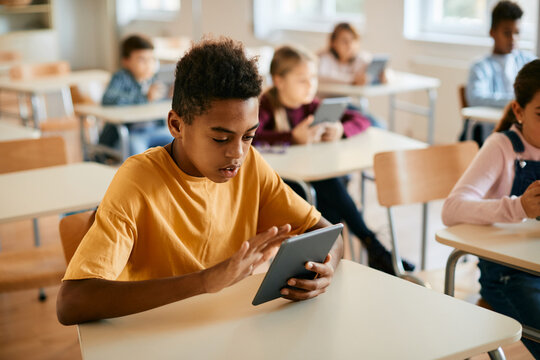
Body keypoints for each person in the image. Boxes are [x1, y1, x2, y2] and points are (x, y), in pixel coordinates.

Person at [56, 38, 343, 325]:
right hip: (153, 332)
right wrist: (205, 281)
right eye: (220, 138)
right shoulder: (138, 180)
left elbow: (329, 235)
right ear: (177, 125)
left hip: (226, 325)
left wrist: (324, 266)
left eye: (248, 135)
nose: (237, 153)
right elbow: (71, 302)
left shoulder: (250, 164)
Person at [256, 45, 414, 275]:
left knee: (330, 190)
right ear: (279, 81)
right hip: (284, 189)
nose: (311, 85)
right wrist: (291, 137)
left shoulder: (311, 106)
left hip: (315, 187)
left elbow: (361, 118)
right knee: (330, 187)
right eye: (302, 80)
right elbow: (252, 137)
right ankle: (372, 246)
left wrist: (341, 128)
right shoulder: (264, 106)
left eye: (313, 78)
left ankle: (335, 258)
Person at [443, 59, 540, 358]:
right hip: (507, 276)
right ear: (519, 111)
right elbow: (452, 209)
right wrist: (518, 207)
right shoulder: (502, 147)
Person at [462, 1, 536, 146]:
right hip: (491, 136)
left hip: (525, 137)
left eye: (517, 33)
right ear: (492, 32)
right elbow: (476, 99)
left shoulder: (529, 62)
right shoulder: (480, 67)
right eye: (507, 33)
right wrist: (516, 101)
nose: (513, 39)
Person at [98, 34, 172, 159]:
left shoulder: (155, 79)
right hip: (131, 133)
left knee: (178, 143)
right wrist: (143, 97)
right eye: (142, 60)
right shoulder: (121, 78)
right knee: (137, 154)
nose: (148, 64)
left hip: (154, 130)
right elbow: (108, 99)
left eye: (152, 59)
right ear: (126, 61)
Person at [318, 22, 386, 86]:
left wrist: (384, 76)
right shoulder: (324, 58)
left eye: (353, 40)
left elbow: (390, 74)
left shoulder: (362, 58)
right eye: (344, 41)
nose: (349, 45)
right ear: (334, 43)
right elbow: (322, 77)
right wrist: (353, 80)